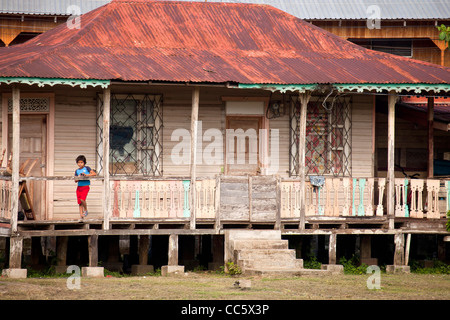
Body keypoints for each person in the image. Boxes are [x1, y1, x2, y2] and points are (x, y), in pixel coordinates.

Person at [74, 155, 96, 219]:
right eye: (78, 162)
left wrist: (86, 175)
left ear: (84, 162)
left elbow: (94, 174)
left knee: (82, 199)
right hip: (79, 187)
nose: (80, 164)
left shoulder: (87, 168)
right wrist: (79, 177)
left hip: (85, 186)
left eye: (81, 162)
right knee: (79, 202)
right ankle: (81, 216)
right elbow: (75, 180)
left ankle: (86, 210)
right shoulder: (77, 171)